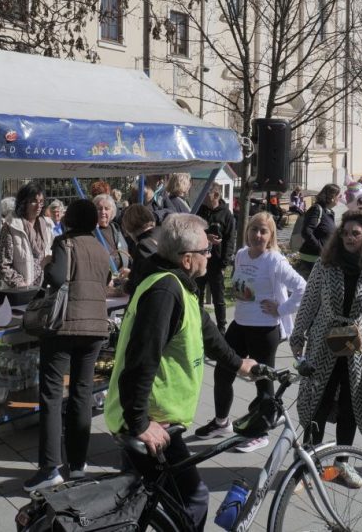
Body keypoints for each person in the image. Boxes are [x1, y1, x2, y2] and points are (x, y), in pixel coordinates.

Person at [103, 214, 256, 532]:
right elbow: (141, 360)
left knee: (134, 504)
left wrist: (241, 364)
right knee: (194, 499)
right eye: (206, 251)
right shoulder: (165, 292)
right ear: (188, 259)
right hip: (152, 425)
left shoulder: (176, 285)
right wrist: (140, 423)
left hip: (152, 419)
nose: (210, 256)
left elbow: (208, 334)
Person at [289, 210, 362, 488]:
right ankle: (309, 466)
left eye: (355, 233)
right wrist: (298, 334)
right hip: (324, 343)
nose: (349, 238)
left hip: (358, 350)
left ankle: (341, 466)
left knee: (351, 406)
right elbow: (310, 300)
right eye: (346, 233)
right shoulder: (326, 266)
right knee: (318, 404)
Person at [24, 200, 114, 492]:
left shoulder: (65, 243)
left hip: (64, 328)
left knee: (51, 395)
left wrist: (49, 263)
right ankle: (77, 464)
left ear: (69, 221)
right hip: (96, 329)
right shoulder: (101, 249)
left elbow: (59, 278)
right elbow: (106, 280)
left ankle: (49, 467)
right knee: (81, 394)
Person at [197, 212, 306, 452]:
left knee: (263, 382)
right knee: (223, 373)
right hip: (240, 324)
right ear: (247, 231)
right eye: (254, 229)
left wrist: (282, 308)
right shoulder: (240, 255)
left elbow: (302, 288)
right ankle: (221, 423)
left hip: (265, 329)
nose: (258, 235)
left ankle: (261, 433)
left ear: (271, 236)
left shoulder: (274, 260)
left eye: (263, 231)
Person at [196, 186, 235, 331]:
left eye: (207, 193)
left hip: (216, 263)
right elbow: (193, 231)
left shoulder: (226, 215)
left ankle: (221, 329)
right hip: (200, 260)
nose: (204, 196)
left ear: (216, 195)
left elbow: (230, 240)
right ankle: (198, 325)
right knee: (197, 295)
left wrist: (224, 263)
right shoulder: (200, 211)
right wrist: (206, 237)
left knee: (218, 298)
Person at [0, 183, 52, 289]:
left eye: (41, 202)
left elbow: (50, 255)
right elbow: (4, 265)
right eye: (33, 201)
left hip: (43, 289)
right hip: (20, 292)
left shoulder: (47, 225)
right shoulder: (11, 226)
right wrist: (21, 285)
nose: (38, 206)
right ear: (24, 203)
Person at [296, 184, 341, 277]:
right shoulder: (317, 209)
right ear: (332, 197)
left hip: (320, 258)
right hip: (311, 258)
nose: (340, 199)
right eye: (339, 196)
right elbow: (306, 231)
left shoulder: (329, 212)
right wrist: (320, 248)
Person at [120, 203, 158, 294]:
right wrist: (132, 273)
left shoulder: (144, 245)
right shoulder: (161, 235)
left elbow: (137, 284)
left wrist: (123, 286)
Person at [94, 193, 130, 275]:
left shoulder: (116, 229)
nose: (103, 212)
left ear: (112, 211)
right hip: (103, 278)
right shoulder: (92, 232)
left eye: (106, 209)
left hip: (121, 276)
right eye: (99, 209)